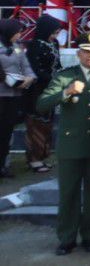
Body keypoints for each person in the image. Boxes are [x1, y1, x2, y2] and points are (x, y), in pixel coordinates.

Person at [37, 31, 90, 255]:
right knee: (69, 194)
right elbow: (42, 103)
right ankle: (67, 237)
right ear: (79, 53)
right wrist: (65, 92)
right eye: (87, 52)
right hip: (70, 146)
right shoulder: (65, 76)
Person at [24, 14, 62, 174]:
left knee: (48, 122)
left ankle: (43, 156)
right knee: (36, 123)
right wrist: (52, 79)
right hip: (38, 90)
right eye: (53, 32)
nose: (54, 36)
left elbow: (58, 64)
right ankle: (34, 159)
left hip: (52, 88)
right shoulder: (35, 46)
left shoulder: (54, 44)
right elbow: (35, 70)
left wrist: (61, 77)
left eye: (56, 33)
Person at [0, 19, 35, 177]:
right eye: (17, 32)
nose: (19, 35)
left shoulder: (17, 48)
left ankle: (3, 165)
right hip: (1, 93)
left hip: (14, 95)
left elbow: (26, 65)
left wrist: (29, 78)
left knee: (7, 130)